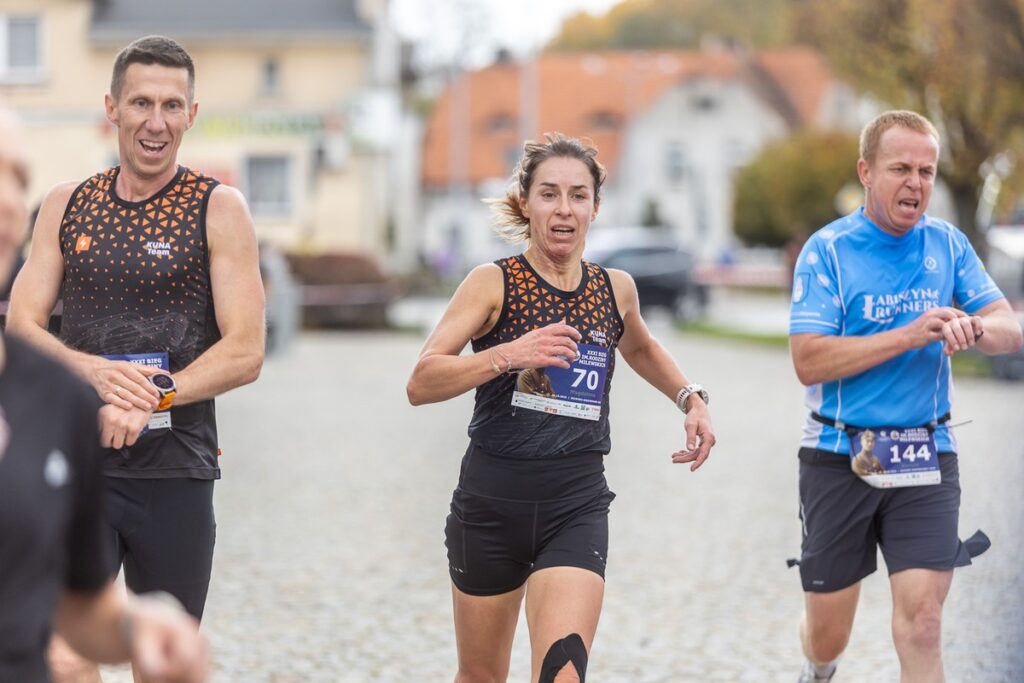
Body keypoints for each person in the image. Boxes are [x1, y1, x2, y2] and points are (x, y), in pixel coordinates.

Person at [406, 133, 716, 683]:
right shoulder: (492, 283)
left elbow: (640, 345)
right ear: (525, 202)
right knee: (481, 675)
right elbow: (422, 381)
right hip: (491, 505)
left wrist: (690, 398)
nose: (564, 209)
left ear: (596, 207)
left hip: (574, 505)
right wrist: (508, 354)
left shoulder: (613, 288)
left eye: (578, 195)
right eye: (549, 194)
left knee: (563, 672)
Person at [8, 35, 265, 681]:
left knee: (162, 659)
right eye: (142, 103)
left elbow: (246, 350)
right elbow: (22, 322)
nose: (157, 122)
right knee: (65, 654)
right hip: (78, 463)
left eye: (172, 105)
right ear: (112, 109)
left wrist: (155, 392)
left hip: (175, 471)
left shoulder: (219, 207)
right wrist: (96, 374)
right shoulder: (66, 204)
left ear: (192, 114)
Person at [788, 110, 1023, 682]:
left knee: (923, 623)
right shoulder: (828, 251)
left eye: (926, 170)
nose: (916, 183)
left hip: (926, 453)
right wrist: (909, 334)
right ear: (867, 172)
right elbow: (808, 359)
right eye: (901, 169)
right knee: (827, 632)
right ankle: (818, 669)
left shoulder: (948, 244)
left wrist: (973, 328)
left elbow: (1010, 328)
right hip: (839, 455)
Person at [0, 108, 209, 683]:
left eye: (18, 179)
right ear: (115, 109)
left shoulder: (52, 398)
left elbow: (80, 608)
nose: (8, 199)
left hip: (175, 471)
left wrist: (140, 629)